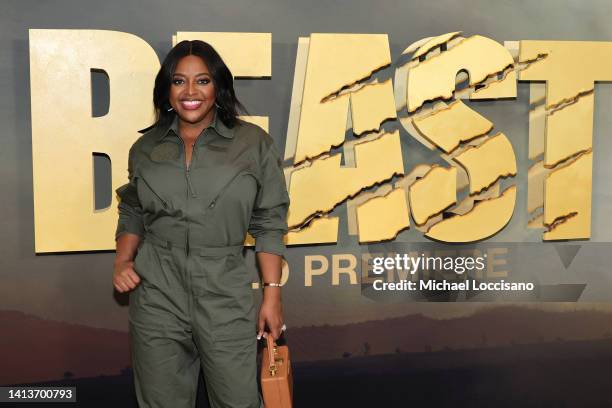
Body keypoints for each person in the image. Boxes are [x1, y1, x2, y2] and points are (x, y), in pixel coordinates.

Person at [112, 40, 289, 408]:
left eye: (202, 81)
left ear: (218, 87)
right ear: (167, 90)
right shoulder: (144, 150)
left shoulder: (253, 143)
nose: (190, 92)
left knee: (239, 401)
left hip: (224, 291)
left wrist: (271, 294)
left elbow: (269, 220)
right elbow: (132, 211)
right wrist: (122, 261)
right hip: (157, 293)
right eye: (179, 81)